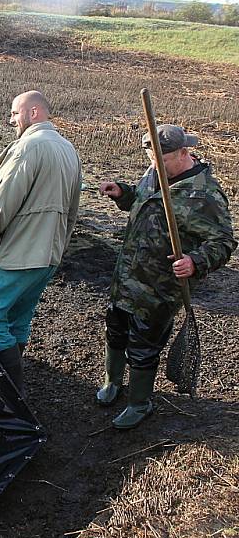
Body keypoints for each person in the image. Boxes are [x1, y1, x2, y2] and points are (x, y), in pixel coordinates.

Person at [97, 124, 236, 429]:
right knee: (116, 331)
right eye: (150, 159)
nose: (153, 166)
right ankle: (113, 383)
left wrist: (195, 261)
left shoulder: (205, 195)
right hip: (126, 278)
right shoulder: (154, 173)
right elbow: (142, 203)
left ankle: (139, 403)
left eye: (161, 160)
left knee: (143, 346)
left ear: (184, 152)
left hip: (159, 290)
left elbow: (223, 242)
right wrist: (124, 193)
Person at [0, 90, 82, 395]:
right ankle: (10, 390)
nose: (10, 120)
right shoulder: (67, 148)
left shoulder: (28, 147)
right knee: (18, 318)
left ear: (34, 113)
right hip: (48, 255)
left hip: (20, 255)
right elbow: (73, 209)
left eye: (15, 113)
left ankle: (7, 393)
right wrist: (58, 247)